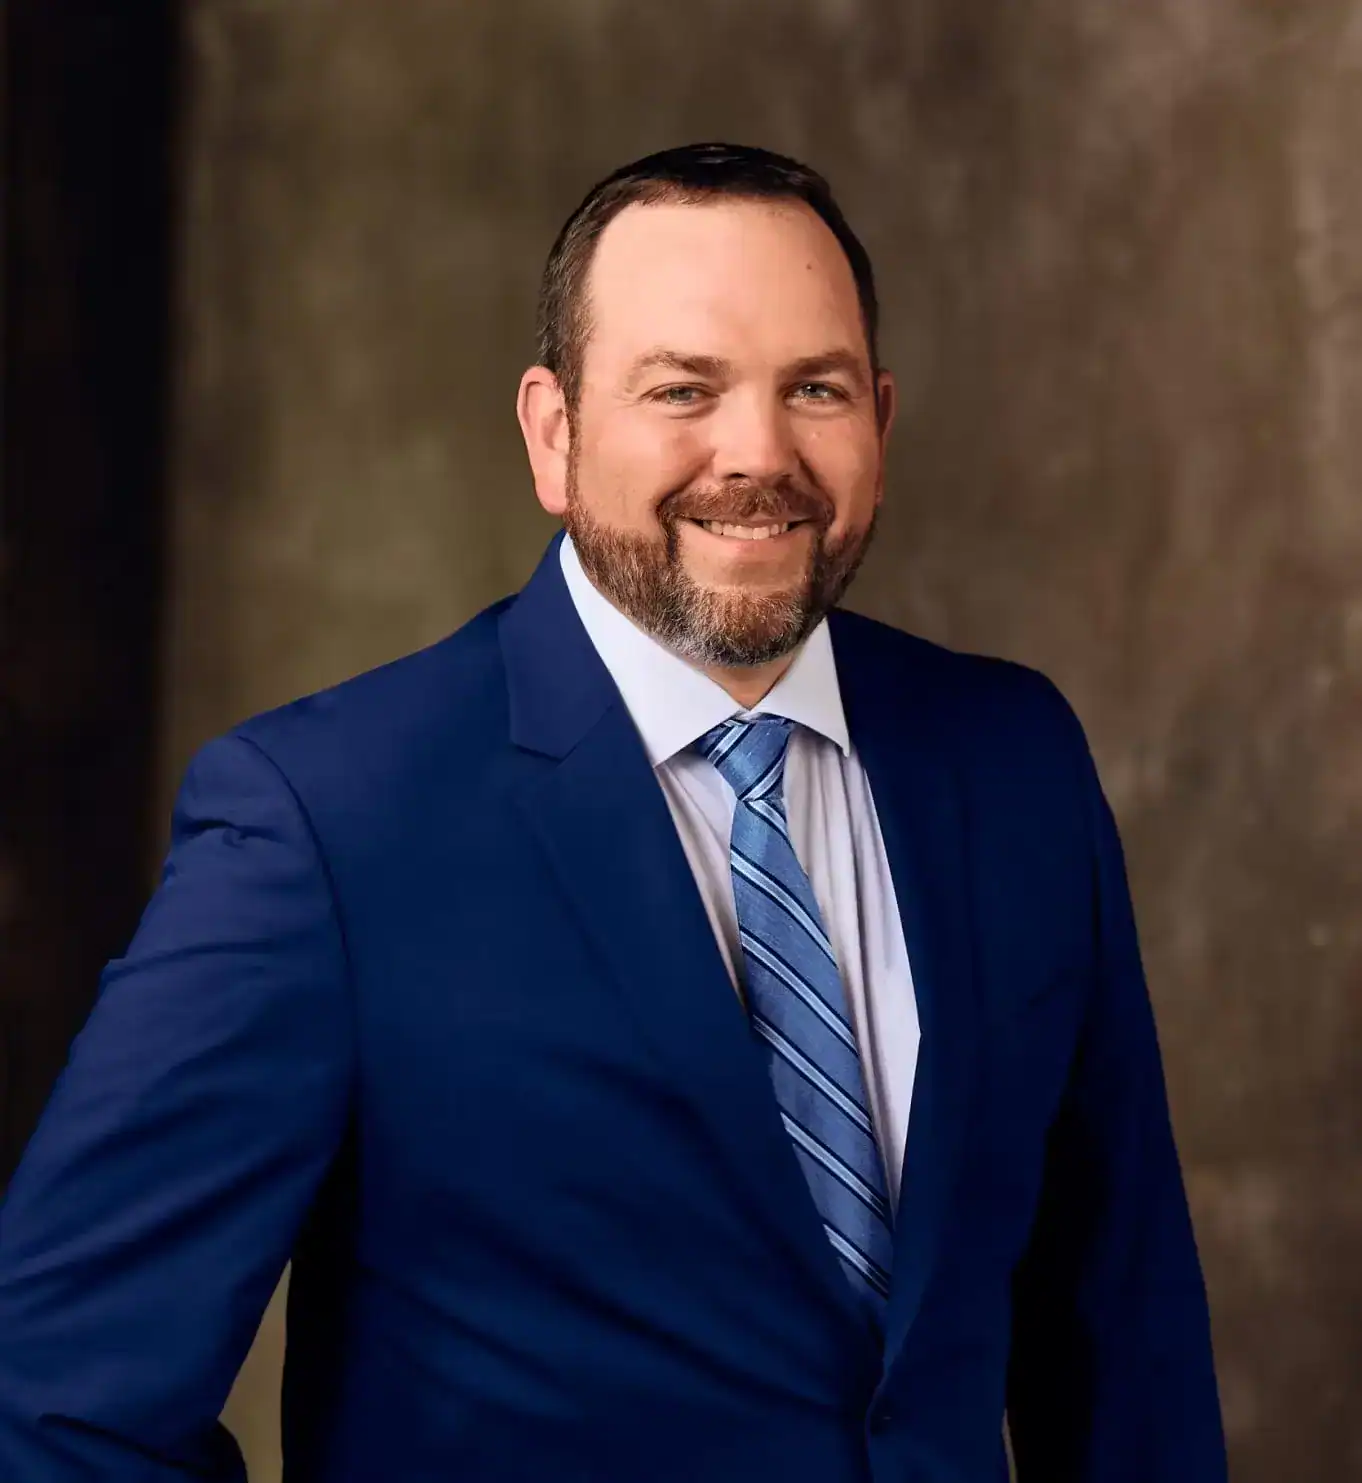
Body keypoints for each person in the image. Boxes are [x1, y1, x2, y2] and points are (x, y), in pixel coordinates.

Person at [0, 142, 1226, 1482]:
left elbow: (1125, 1355)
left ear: (877, 416)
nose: (756, 454)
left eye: (811, 388)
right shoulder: (328, 824)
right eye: (681, 389)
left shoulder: (1011, 761)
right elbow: (56, 1403)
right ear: (555, 430)